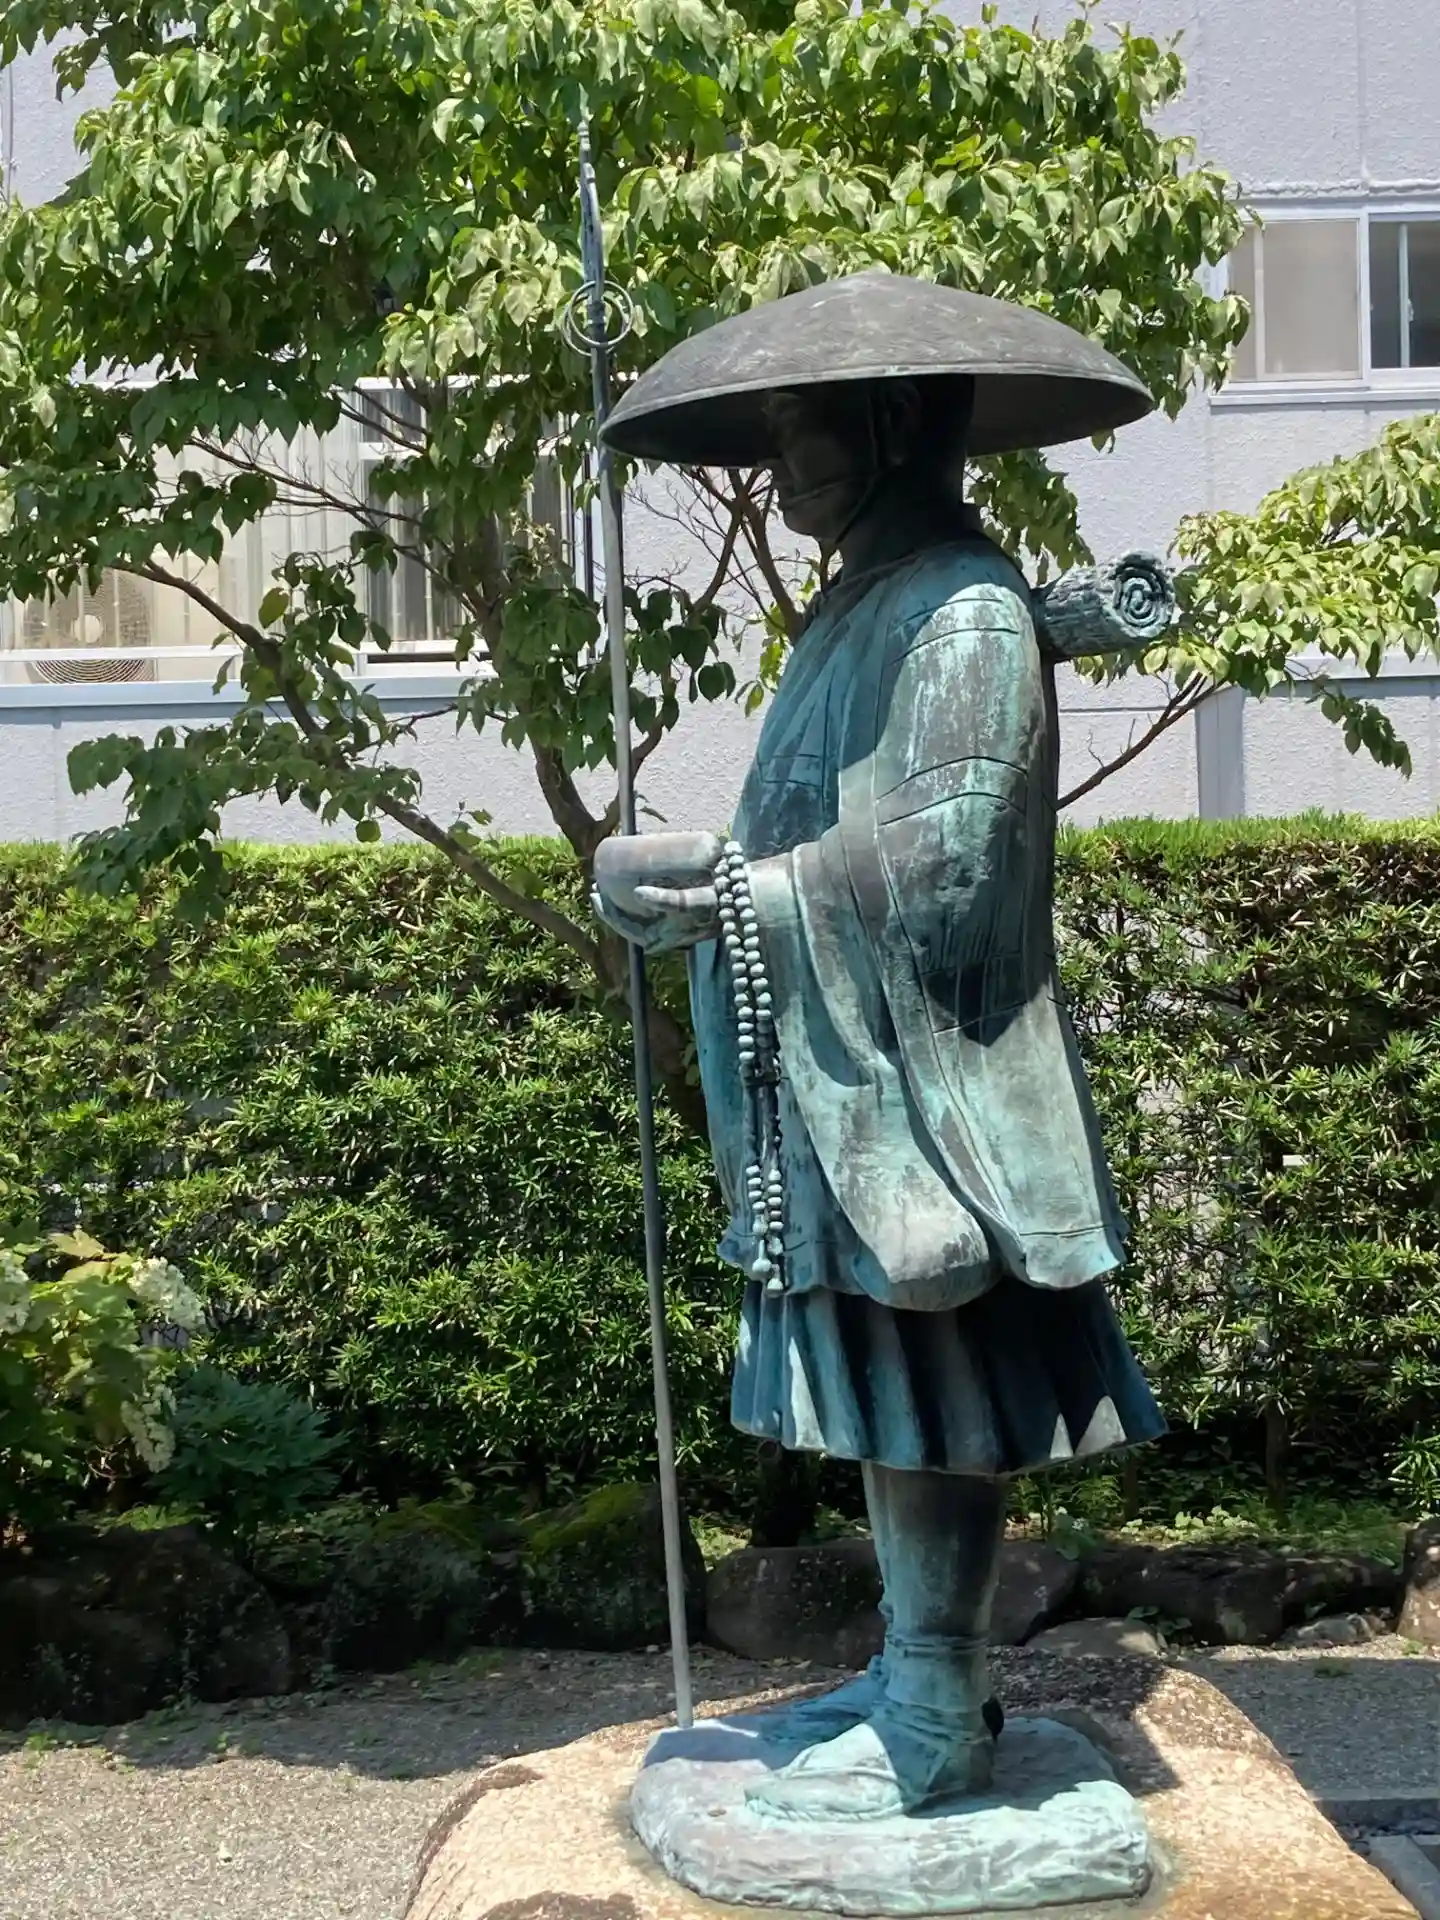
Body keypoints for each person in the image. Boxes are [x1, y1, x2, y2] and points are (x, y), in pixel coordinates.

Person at [593, 276, 1165, 1825]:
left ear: (897, 419)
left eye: (802, 428)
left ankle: (934, 1706)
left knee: (939, 1381)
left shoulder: (963, 609)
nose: (782, 469)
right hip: (857, 1066)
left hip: (932, 1087)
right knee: (894, 1392)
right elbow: (824, 827)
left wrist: (733, 891)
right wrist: (701, 880)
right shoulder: (871, 600)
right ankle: (922, 1671)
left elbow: (946, 866)